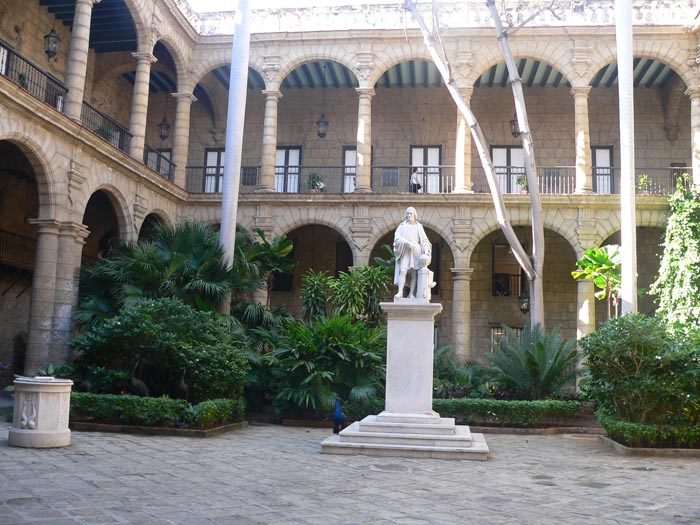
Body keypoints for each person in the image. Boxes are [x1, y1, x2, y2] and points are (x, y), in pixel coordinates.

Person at [393, 207, 431, 299]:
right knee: (403, 270)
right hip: (405, 250)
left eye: (410, 213)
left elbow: (424, 240)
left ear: (415, 215)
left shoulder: (419, 226)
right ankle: (400, 292)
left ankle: (411, 294)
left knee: (414, 273)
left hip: (416, 250)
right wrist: (407, 243)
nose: (409, 215)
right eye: (407, 213)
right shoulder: (402, 226)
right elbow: (397, 238)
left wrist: (426, 249)